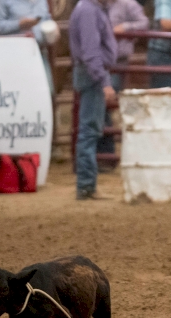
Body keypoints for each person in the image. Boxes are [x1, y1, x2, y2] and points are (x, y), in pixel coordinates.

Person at [69, 0, 117, 200]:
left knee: (89, 130)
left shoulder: (89, 9)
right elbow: (91, 52)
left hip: (90, 74)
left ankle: (87, 185)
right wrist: (104, 80)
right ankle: (86, 186)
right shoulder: (89, 11)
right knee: (89, 131)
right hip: (93, 75)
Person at [96, 0, 149, 172]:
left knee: (105, 104)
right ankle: (104, 154)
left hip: (116, 62)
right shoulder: (97, 5)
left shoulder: (127, 4)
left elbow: (144, 23)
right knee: (103, 105)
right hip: (102, 61)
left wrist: (125, 27)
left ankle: (106, 154)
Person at [0, 0, 57, 94]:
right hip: (13, 58)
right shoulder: (2, 1)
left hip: (39, 53)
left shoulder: (42, 1)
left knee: (47, 92)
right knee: (19, 93)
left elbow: (46, 20)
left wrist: (53, 30)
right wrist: (18, 24)